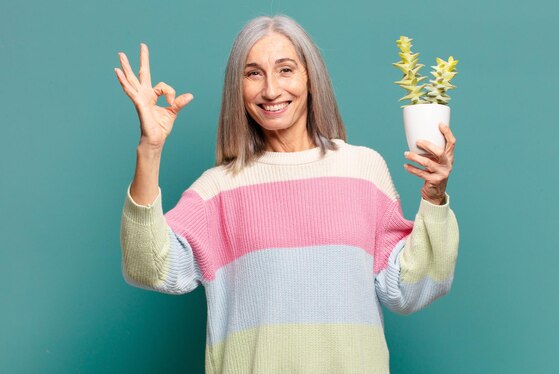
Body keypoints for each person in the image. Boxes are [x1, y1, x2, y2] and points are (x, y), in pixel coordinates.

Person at [116, 14, 459, 374]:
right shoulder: (218, 188)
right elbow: (147, 267)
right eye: (253, 73)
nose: (270, 90)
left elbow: (408, 290)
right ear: (238, 87)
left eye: (285, 70)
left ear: (310, 77)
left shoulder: (363, 169)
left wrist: (434, 198)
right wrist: (150, 148)